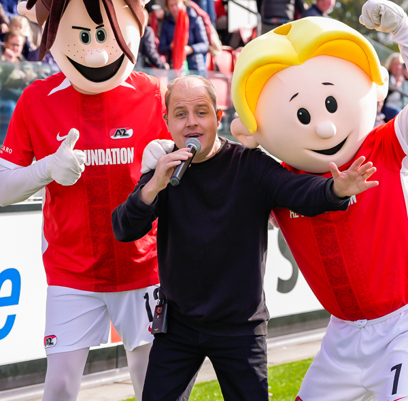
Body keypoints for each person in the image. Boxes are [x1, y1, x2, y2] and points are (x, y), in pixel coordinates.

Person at [112, 74, 377, 401]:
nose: (191, 122)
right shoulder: (165, 169)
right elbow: (124, 228)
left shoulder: (248, 165)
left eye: (201, 112)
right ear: (167, 122)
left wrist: (335, 189)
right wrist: (153, 186)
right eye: (181, 114)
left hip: (240, 327)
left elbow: (297, 191)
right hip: (178, 325)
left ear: (218, 117)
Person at [0, 0, 171, 401]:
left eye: (106, 32)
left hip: (143, 267)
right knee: (59, 388)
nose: (97, 49)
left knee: (152, 384)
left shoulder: (151, 93)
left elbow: (194, 162)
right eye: (82, 35)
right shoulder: (36, 99)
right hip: (71, 271)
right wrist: (45, 170)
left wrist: (163, 166)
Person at [230, 12, 408, 400]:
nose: (324, 127)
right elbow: (218, 186)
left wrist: (404, 34)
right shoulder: (276, 181)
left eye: (331, 103)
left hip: (400, 327)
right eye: (304, 115)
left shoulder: (383, 146)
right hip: (340, 336)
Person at [159, 0, 208, 73]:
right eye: (171, 5)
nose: (174, 8)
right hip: (175, 66)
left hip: (194, 66)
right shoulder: (166, 23)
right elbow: (161, 48)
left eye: (176, 4)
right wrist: (171, 46)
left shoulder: (195, 20)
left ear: (183, 3)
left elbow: (205, 45)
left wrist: (190, 49)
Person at [381, 52, 405, 121]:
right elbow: (384, 93)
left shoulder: (403, 79)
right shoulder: (386, 76)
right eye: (396, 64)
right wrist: (396, 85)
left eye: (400, 65)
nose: (398, 67)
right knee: (398, 114)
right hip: (387, 107)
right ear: (391, 64)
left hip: (399, 107)